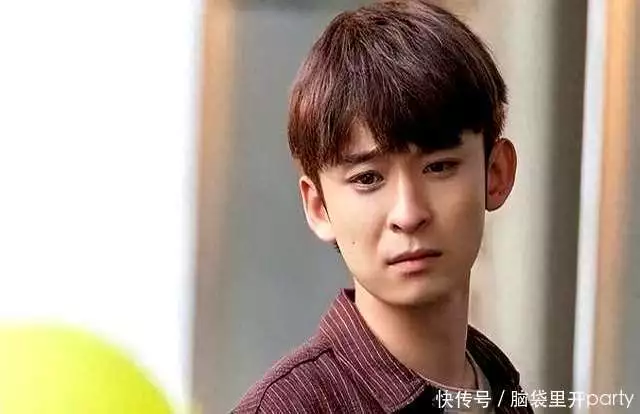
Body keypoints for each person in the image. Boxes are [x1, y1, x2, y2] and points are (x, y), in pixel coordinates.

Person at [234, 1, 532, 412]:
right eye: (368, 178)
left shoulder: (497, 383)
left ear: (495, 173)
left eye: (438, 167)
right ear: (318, 206)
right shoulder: (288, 407)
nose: (408, 214)